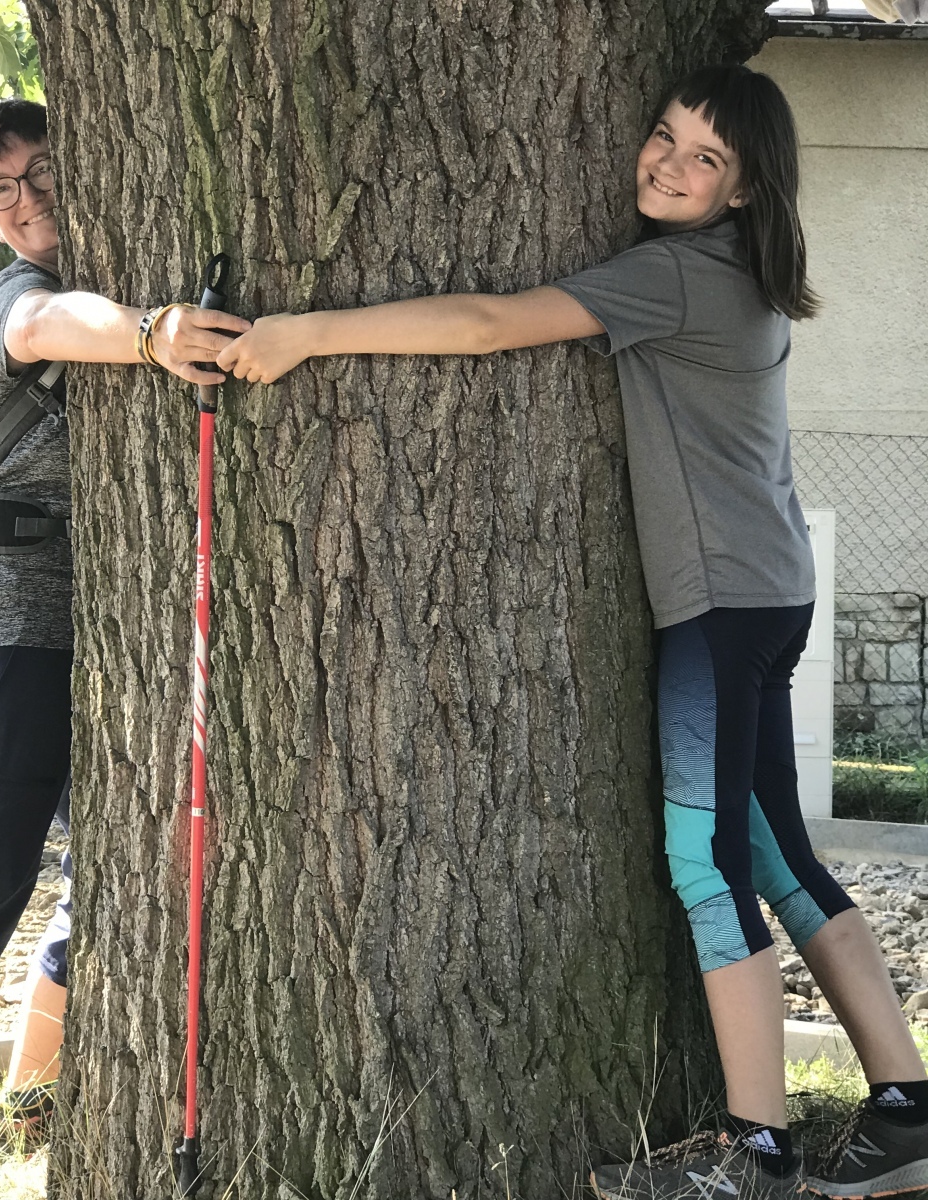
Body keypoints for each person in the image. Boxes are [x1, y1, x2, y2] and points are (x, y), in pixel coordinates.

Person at [217, 65, 928, 1200]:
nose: (669, 163)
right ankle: (905, 1108)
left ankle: (755, 1152)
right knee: (773, 855)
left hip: (720, 606)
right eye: (665, 136)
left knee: (705, 864)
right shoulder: (737, 270)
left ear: (746, 189)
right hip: (763, 593)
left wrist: (307, 332)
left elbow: (491, 323)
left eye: (706, 158)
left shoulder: (679, 277)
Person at [0, 99, 250, 1200]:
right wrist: (151, 335)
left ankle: (35, 1092)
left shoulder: (72, 271)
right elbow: (49, 329)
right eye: (4, 191)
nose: (28, 200)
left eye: (43, 175)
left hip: (92, 629)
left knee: (116, 862)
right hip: (4, 634)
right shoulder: (11, 303)